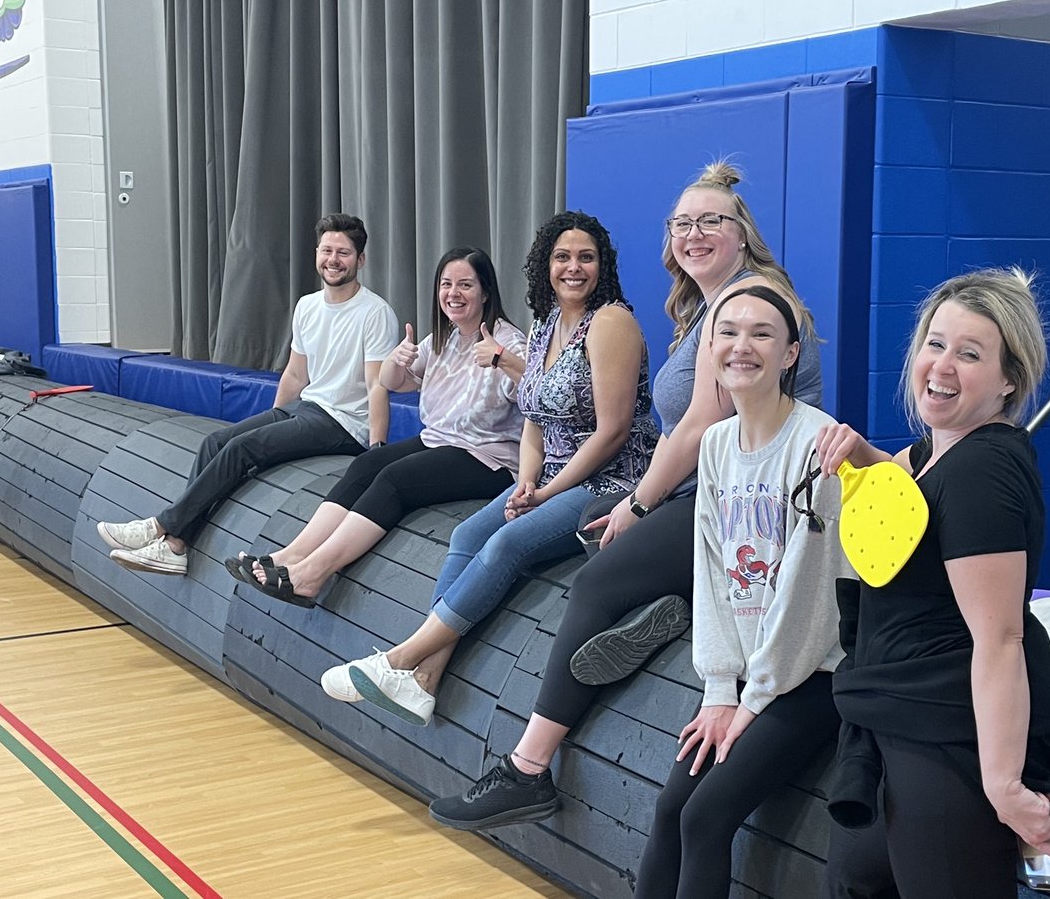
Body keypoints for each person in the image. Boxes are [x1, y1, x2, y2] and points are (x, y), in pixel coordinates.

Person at [428, 159, 823, 830]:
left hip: (741, 503)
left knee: (596, 582)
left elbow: (698, 426)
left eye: (712, 223)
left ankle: (528, 768)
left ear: (742, 233)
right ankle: (679, 602)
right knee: (592, 534)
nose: (695, 235)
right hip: (706, 491)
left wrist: (637, 506)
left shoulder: (741, 302)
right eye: (683, 225)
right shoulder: (706, 306)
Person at [817, 269, 1050, 898]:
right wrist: (864, 458)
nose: (942, 365)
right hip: (895, 720)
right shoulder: (926, 454)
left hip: (949, 740)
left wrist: (1003, 786)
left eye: (970, 354)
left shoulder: (982, 471)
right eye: (935, 343)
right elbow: (913, 516)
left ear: (1009, 380)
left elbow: (998, 638)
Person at [319, 211, 657, 727]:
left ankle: (403, 660)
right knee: (468, 533)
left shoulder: (611, 322)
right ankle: (424, 682)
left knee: (505, 543)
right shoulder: (546, 328)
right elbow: (533, 417)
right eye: (562, 257)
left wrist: (544, 494)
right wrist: (527, 478)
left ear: (602, 265)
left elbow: (612, 433)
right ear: (545, 264)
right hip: (547, 475)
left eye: (585, 257)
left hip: (609, 479)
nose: (573, 267)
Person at [633, 284, 851, 898]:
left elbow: (809, 597)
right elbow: (712, 573)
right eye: (727, 332)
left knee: (706, 817)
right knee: (670, 810)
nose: (742, 346)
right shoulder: (715, 444)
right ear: (708, 348)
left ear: (789, 355)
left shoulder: (818, 443)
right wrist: (718, 689)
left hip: (812, 676)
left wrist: (749, 703)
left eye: (762, 334)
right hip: (748, 678)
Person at [97, 214, 398, 576]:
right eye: (327, 250)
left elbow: (376, 385)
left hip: (344, 424)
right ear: (316, 253)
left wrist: (376, 449)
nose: (333, 259)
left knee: (242, 448)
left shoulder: (375, 313)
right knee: (215, 442)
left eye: (344, 253)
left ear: (360, 260)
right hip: (306, 409)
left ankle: (161, 527)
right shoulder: (307, 306)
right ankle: (176, 546)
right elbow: (296, 373)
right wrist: (273, 426)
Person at [227, 247, 527, 608]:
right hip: (439, 441)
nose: (453, 294)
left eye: (465, 285)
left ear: (486, 292)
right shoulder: (443, 338)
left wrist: (502, 360)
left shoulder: (509, 342)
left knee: (395, 479)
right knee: (368, 463)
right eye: (446, 284)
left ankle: (313, 574)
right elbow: (393, 383)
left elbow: (535, 395)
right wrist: (397, 360)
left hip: (488, 457)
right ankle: (291, 555)